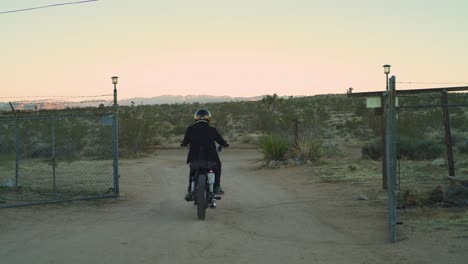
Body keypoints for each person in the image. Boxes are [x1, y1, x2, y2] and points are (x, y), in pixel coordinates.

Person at [180, 109, 229, 201]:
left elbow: (185, 142)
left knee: (192, 171)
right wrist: (225, 144)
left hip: (195, 160)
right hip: (211, 160)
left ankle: (190, 190)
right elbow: (221, 141)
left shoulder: (190, 129)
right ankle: (217, 187)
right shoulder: (212, 129)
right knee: (218, 166)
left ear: (196, 118)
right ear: (208, 118)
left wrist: (183, 144)